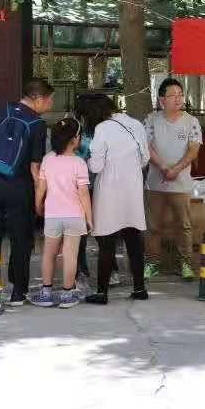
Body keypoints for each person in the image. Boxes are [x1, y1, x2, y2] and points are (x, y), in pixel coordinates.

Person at [0, 78, 54, 307]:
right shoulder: (37, 124)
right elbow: (35, 168)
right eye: (49, 100)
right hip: (20, 188)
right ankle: (18, 292)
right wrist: (40, 197)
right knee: (21, 240)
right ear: (37, 98)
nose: (50, 104)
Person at [84, 96, 150, 305]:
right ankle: (139, 288)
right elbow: (145, 158)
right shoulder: (136, 124)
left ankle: (101, 293)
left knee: (107, 243)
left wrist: (86, 160)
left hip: (109, 192)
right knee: (134, 240)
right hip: (133, 191)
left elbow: (96, 166)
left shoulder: (102, 128)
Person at [30, 118, 93, 308]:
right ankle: (67, 295)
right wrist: (89, 219)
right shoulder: (79, 163)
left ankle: (46, 293)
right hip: (74, 216)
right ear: (75, 139)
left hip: (52, 215)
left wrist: (38, 206)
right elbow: (84, 194)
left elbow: (41, 188)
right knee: (70, 256)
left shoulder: (48, 159)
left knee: (49, 254)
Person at [145, 79, 203, 281]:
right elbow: (146, 147)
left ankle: (185, 264)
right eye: (173, 95)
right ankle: (152, 263)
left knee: (184, 225)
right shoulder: (151, 119)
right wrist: (162, 167)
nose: (178, 98)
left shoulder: (191, 121)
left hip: (181, 183)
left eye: (180, 94)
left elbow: (194, 150)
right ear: (162, 100)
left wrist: (176, 169)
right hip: (155, 182)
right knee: (153, 226)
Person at [73, 93, 120, 287]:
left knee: (105, 231)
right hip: (81, 188)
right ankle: (80, 271)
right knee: (80, 232)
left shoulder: (108, 131)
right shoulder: (78, 131)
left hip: (103, 186)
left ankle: (110, 269)